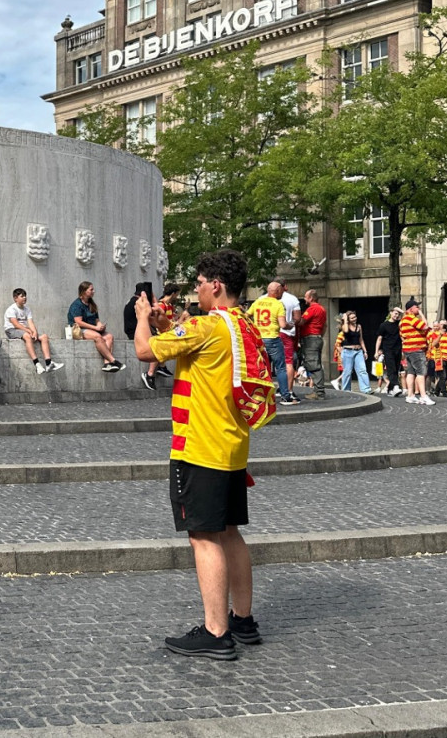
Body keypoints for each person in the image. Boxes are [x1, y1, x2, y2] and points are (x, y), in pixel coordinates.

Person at [133, 248, 267, 661]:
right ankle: (242, 621)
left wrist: (142, 319)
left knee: (203, 537)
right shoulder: (242, 323)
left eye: (199, 282)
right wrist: (170, 325)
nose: (195, 288)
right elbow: (198, 350)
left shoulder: (207, 326)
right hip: (231, 446)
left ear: (216, 286)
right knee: (230, 532)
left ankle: (216, 632)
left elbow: (144, 352)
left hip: (199, 447)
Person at [248, 281, 295, 405]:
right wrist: (291, 325)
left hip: (258, 339)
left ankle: (259, 396)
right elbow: (283, 325)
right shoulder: (278, 304)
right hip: (273, 339)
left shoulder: (257, 302)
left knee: (261, 368)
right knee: (280, 368)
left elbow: (247, 315)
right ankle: (285, 396)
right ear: (278, 291)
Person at [68, 281, 123, 373]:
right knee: (98, 337)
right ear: (84, 291)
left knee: (109, 336)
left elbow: (96, 320)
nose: (94, 291)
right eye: (91, 289)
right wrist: (96, 328)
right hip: (79, 330)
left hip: (92, 329)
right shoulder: (77, 304)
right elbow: (79, 322)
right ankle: (113, 361)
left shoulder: (91, 304)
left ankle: (107, 364)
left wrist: (100, 326)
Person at [6, 288, 61, 375]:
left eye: (25, 296)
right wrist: (28, 331)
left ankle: (48, 363)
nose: (25, 298)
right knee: (27, 336)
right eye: (22, 296)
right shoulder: (11, 309)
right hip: (11, 330)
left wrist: (34, 332)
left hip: (24, 330)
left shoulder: (27, 309)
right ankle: (37, 364)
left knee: (44, 337)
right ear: (15, 298)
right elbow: (15, 324)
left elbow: (30, 323)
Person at [123, 281, 158, 388]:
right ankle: (150, 374)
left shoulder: (133, 301)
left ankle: (161, 366)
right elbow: (153, 315)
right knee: (157, 344)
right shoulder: (139, 303)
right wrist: (154, 300)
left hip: (131, 330)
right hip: (135, 332)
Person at [398, 299, 433, 406]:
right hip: (416, 349)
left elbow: (402, 335)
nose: (419, 309)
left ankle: (410, 395)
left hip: (408, 349)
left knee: (411, 372)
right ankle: (423, 396)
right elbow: (425, 326)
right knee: (421, 372)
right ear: (411, 309)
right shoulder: (411, 318)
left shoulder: (403, 320)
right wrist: (422, 314)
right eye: (417, 307)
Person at [296, 290, 327, 400]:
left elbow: (301, 322)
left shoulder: (313, 309)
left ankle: (319, 392)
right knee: (315, 363)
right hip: (317, 338)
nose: (304, 299)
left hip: (311, 339)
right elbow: (325, 326)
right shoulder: (322, 309)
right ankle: (318, 391)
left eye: (305, 297)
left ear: (311, 298)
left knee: (313, 365)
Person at [335, 311, 371, 393]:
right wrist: (345, 320)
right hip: (348, 351)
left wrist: (365, 351)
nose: (354, 319)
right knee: (347, 372)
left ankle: (366, 389)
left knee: (362, 370)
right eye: (352, 318)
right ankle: (346, 390)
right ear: (348, 319)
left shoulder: (359, 326)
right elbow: (346, 331)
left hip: (358, 351)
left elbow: (361, 339)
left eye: (355, 317)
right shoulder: (344, 326)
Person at [278, 279, 301, 395]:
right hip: (286, 334)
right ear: (285, 286)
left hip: (268, 334)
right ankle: (288, 391)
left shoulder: (263, 298)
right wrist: (290, 324)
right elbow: (297, 318)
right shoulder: (292, 299)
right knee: (288, 362)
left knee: (267, 362)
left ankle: (265, 391)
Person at [374, 308, 404, 397]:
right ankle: (396, 386)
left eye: (398, 314)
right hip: (388, 350)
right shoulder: (383, 325)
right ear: (390, 313)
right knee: (391, 369)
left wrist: (401, 311)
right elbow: (379, 339)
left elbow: (407, 317)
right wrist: (376, 351)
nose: (397, 315)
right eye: (395, 313)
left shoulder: (399, 324)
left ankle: (390, 389)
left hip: (398, 349)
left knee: (396, 369)